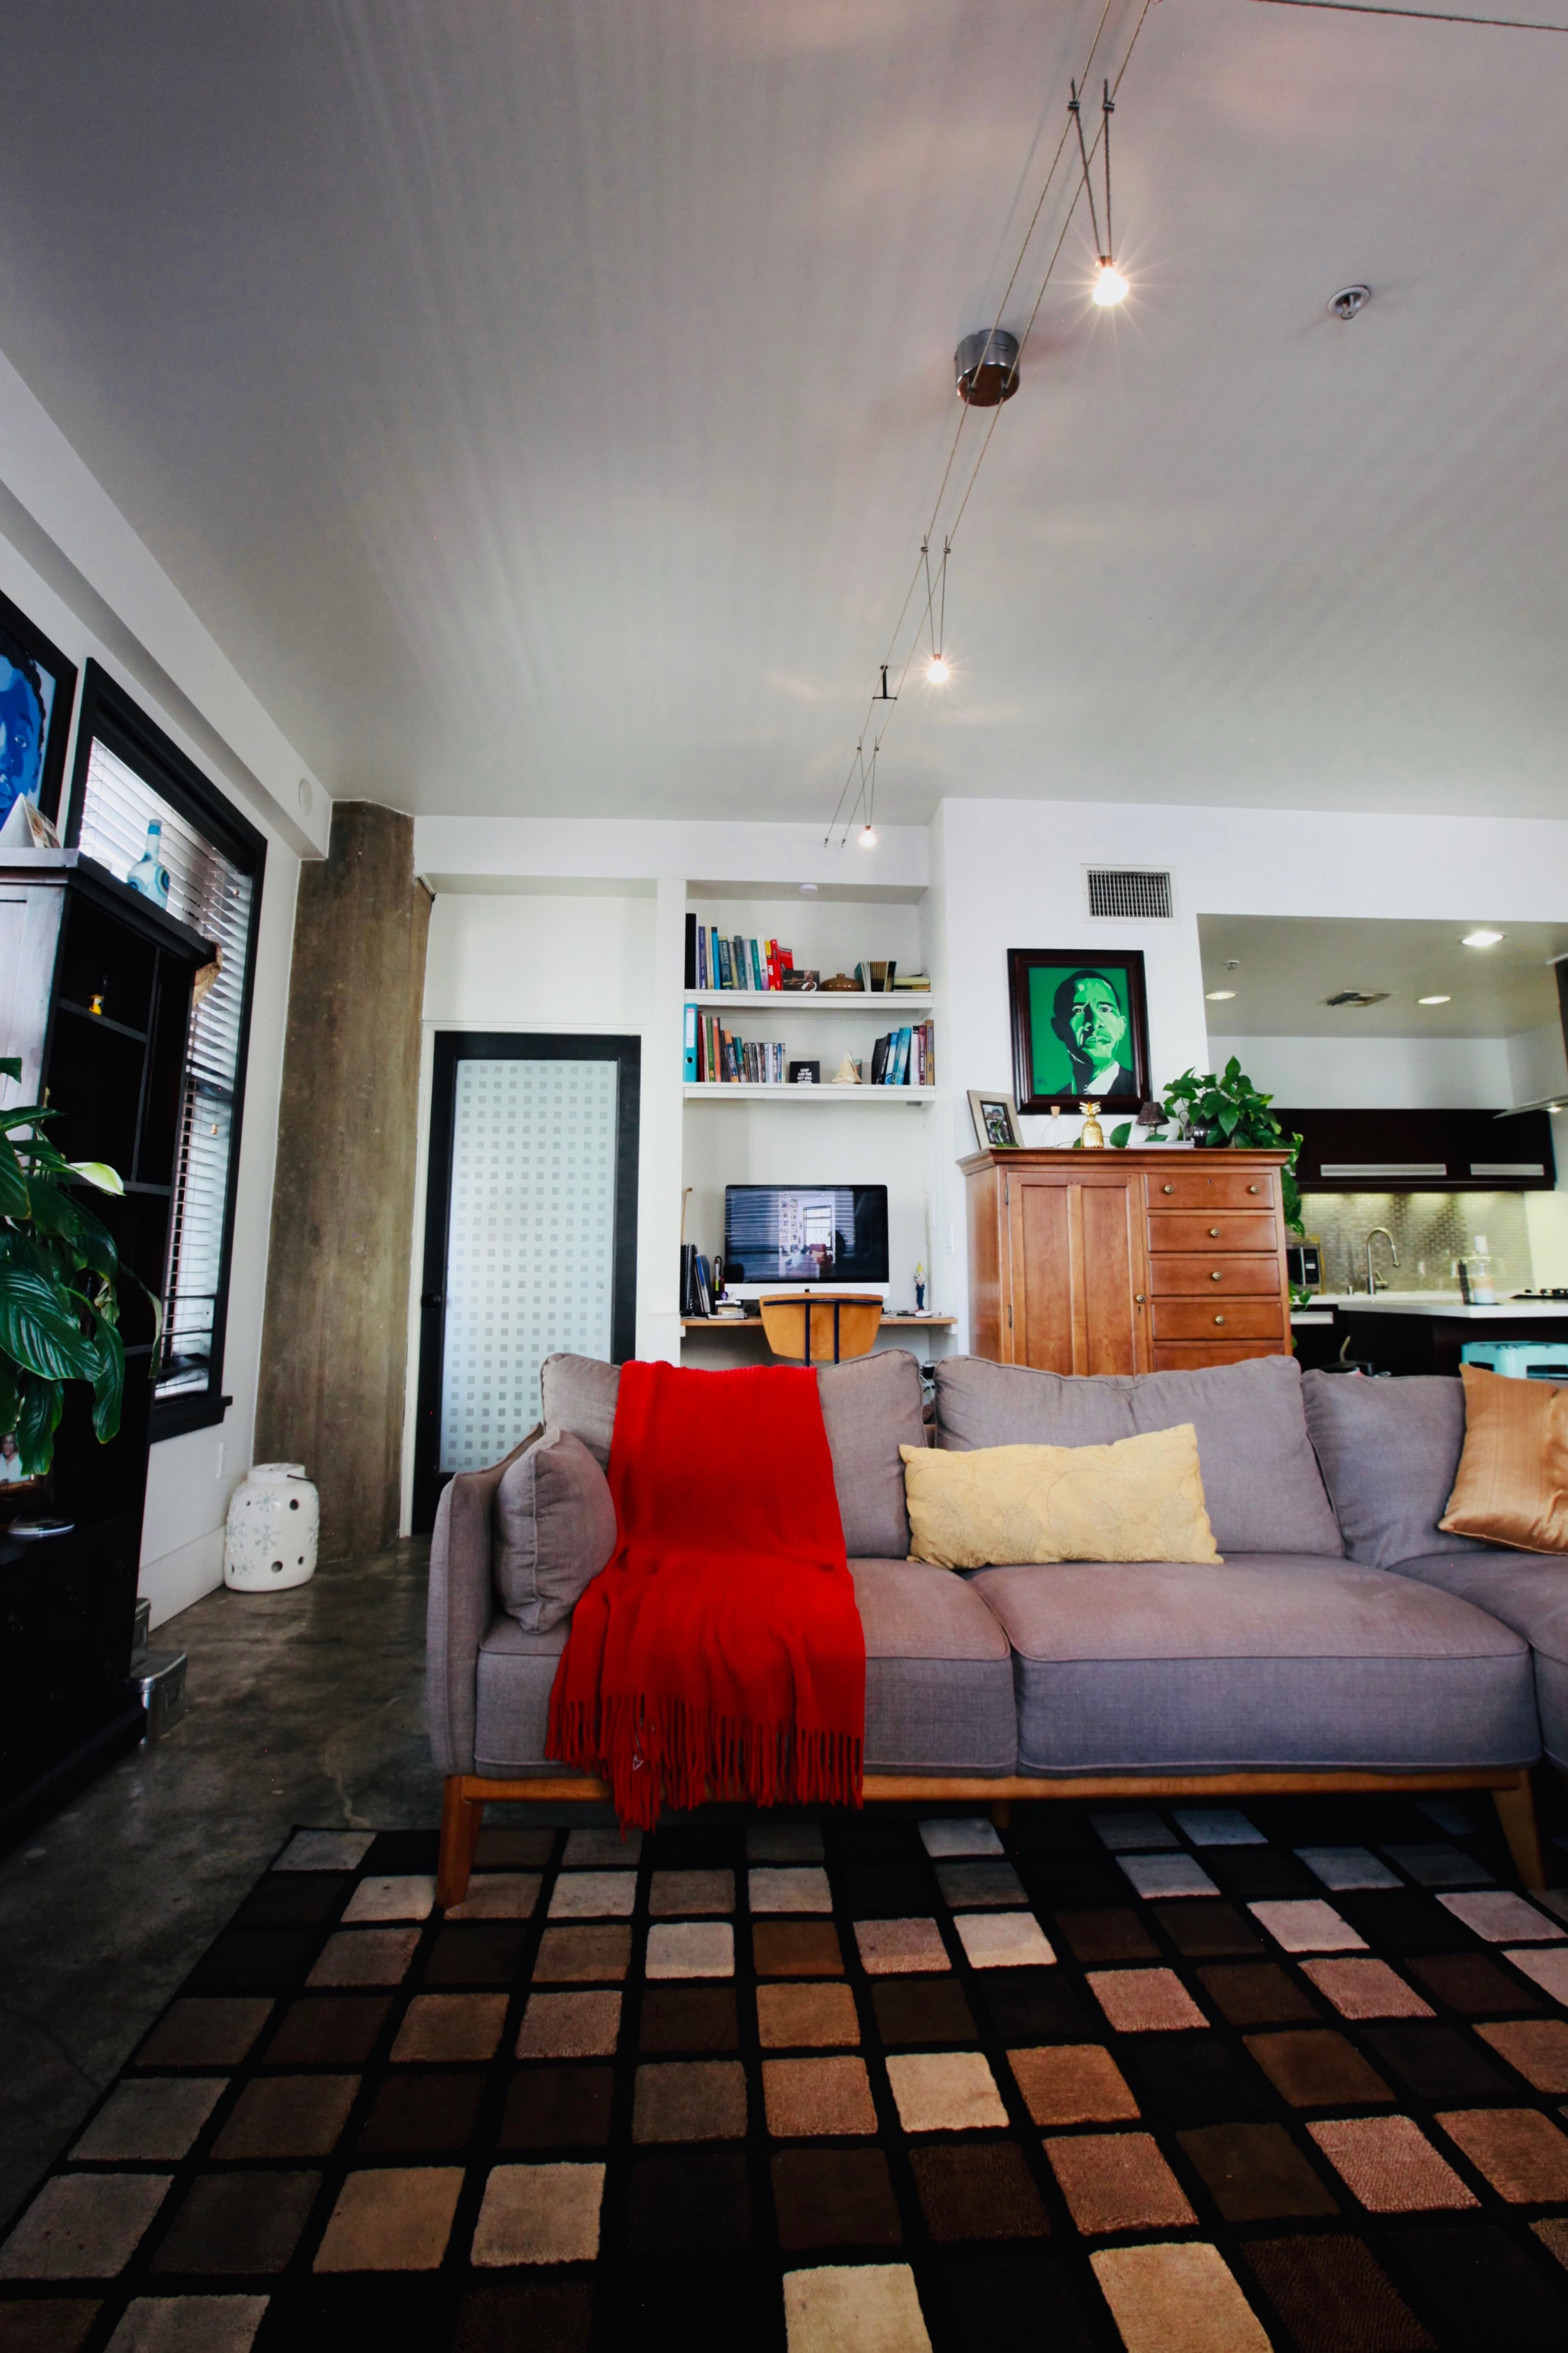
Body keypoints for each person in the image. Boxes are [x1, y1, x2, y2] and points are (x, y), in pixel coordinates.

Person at [1049, 968, 1135, 1096]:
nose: (1095, 1023)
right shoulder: (1058, 1099)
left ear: (1122, 1027)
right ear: (1059, 1029)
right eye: (1079, 1010)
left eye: (1106, 1009)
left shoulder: (1134, 1089)